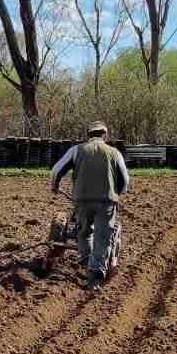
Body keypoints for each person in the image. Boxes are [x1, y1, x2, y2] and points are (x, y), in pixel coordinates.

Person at [49, 121, 130, 286]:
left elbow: (56, 170)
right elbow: (125, 180)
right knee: (102, 236)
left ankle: (87, 261)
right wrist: (117, 193)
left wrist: (55, 186)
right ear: (105, 135)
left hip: (82, 201)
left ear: (88, 135)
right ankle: (95, 275)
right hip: (106, 202)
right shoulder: (114, 153)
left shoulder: (76, 150)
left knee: (84, 233)